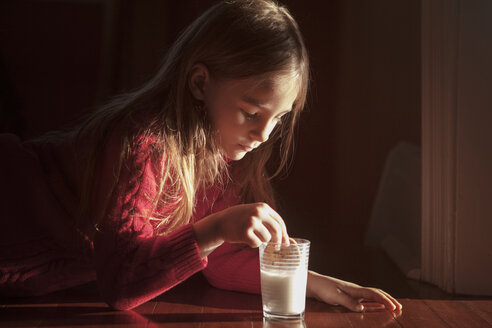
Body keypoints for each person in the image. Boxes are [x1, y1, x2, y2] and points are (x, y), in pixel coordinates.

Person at [0, 0, 402, 313]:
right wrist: (216, 228)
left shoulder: (223, 157)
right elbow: (122, 284)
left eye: (277, 119)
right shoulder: (142, 144)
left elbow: (222, 261)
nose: (263, 135)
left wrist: (319, 285)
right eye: (251, 112)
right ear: (199, 83)